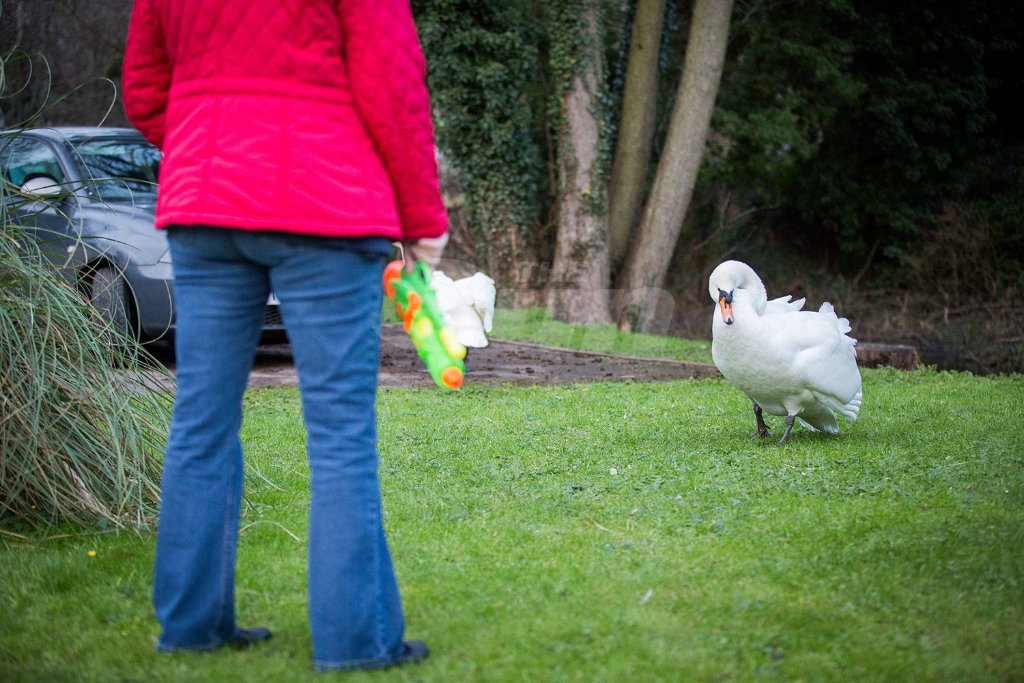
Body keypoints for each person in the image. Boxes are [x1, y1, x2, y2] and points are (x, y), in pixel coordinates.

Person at [122, 0, 448, 672]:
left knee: (200, 423)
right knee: (339, 433)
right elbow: (392, 84)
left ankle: (190, 626)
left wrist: (209, 136)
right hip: (325, 199)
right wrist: (421, 214)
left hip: (207, 200)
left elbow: (146, 90)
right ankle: (357, 642)